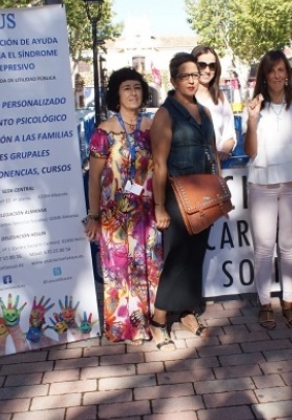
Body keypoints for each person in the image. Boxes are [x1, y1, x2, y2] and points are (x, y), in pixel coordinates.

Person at [86, 67, 163, 345]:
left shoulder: (152, 127)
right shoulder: (103, 133)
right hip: (114, 217)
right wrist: (93, 216)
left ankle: (146, 320)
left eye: (137, 87)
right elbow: (94, 178)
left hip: (147, 214)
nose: (133, 93)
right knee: (119, 271)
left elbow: (162, 167)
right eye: (126, 88)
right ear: (117, 94)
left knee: (147, 267)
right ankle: (123, 326)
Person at [150, 53, 219, 350]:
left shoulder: (205, 112)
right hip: (177, 196)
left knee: (195, 256)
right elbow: (159, 163)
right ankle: (158, 317)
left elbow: (213, 152)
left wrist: (220, 192)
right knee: (178, 258)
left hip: (204, 193)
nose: (192, 79)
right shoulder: (165, 114)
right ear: (174, 79)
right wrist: (159, 206)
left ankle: (188, 311)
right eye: (185, 75)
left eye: (195, 74)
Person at [243, 50, 292, 329]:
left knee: (288, 247)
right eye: (271, 70)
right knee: (263, 248)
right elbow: (251, 151)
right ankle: (265, 304)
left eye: (281, 70)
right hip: (261, 184)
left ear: (287, 73)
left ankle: (289, 302)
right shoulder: (253, 107)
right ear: (264, 75)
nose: (276, 75)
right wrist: (251, 121)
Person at [192, 45, 236, 160]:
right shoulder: (181, 98)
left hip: (217, 167)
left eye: (212, 66)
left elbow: (229, 135)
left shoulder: (220, 97)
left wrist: (223, 151)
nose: (207, 70)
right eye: (201, 65)